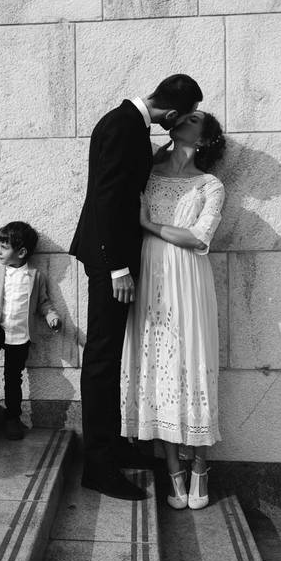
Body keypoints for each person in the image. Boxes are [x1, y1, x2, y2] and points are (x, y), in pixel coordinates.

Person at [70, 74, 203, 500]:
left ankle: (115, 450)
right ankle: (98, 466)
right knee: (103, 360)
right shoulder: (124, 126)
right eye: (179, 121)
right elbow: (108, 198)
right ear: (173, 114)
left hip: (114, 257)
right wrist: (116, 269)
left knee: (112, 357)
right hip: (110, 260)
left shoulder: (128, 123)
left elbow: (122, 186)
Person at [121, 111, 226, 510]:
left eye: (194, 119)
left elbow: (200, 238)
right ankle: (172, 469)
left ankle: (200, 464)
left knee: (193, 361)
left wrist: (148, 225)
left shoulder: (209, 185)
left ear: (204, 138)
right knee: (157, 362)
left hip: (190, 279)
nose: (183, 119)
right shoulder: (146, 173)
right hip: (151, 274)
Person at [0, 221, 61, 440]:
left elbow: (44, 303)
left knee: (13, 377)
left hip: (20, 334)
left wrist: (52, 317)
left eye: (4, 247)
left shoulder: (36, 276)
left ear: (21, 252)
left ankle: (12, 417)